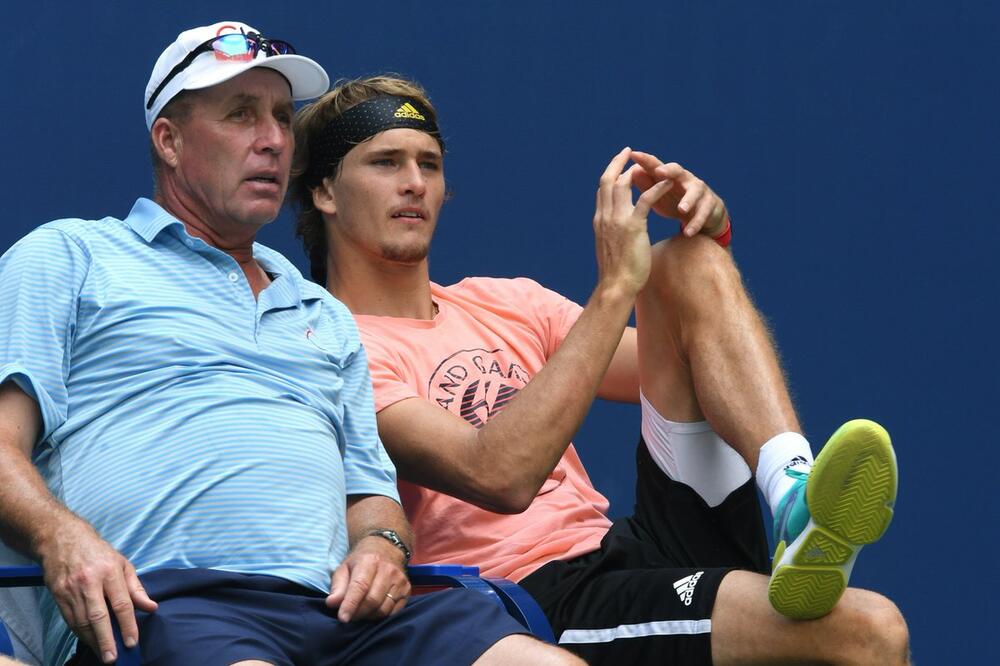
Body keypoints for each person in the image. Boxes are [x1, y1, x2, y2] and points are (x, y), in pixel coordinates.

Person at [0, 24, 581, 666]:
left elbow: (370, 494)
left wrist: (383, 547)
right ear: (168, 140)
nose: (275, 140)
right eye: (241, 115)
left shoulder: (322, 312)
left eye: (281, 117)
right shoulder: (71, 255)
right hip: (166, 606)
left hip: (343, 616)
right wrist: (62, 539)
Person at [290, 75, 911, 665]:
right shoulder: (334, 349)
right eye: (385, 162)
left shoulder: (506, 300)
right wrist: (616, 287)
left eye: (428, 164)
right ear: (323, 193)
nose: (414, 183)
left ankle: (790, 491)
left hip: (626, 549)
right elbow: (499, 475)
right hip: (535, 595)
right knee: (871, 630)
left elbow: (695, 357)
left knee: (684, 264)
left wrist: (711, 238)